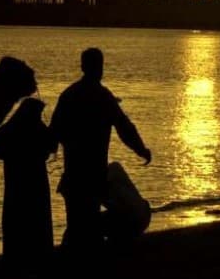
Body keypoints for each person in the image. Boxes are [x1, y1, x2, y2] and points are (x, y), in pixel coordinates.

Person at [50, 48, 152, 253]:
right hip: (93, 175)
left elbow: (54, 133)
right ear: (99, 68)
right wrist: (141, 149)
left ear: (82, 67)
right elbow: (124, 127)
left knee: (78, 226)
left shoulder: (69, 95)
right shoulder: (103, 96)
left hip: (74, 175)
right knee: (85, 227)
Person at [0, 97, 58, 267]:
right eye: (39, 113)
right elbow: (52, 145)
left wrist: (5, 155)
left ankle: (16, 256)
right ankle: (37, 255)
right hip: (33, 179)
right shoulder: (35, 127)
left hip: (16, 180)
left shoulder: (13, 126)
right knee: (36, 215)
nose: (40, 116)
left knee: (16, 216)